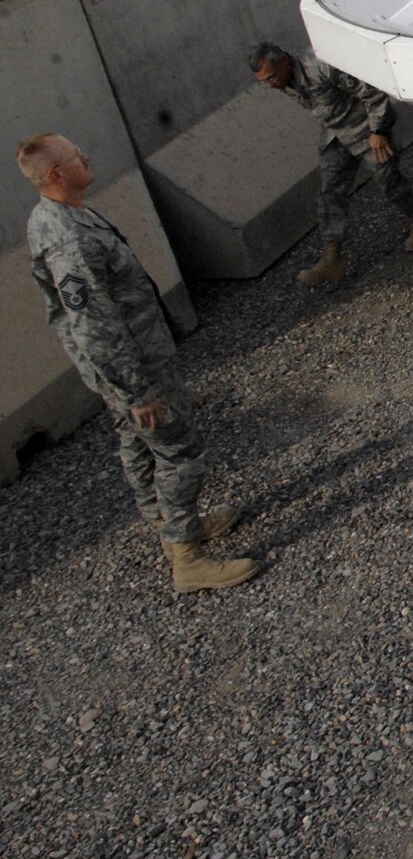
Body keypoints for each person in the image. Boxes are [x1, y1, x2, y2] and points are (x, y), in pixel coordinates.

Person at [17, 134, 263, 595]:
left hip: (121, 367)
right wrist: (136, 392)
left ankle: (170, 527)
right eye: (75, 156)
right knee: (178, 452)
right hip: (135, 368)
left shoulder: (59, 214)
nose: (85, 156)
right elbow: (91, 321)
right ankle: (188, 558)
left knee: (137, 444)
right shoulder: (67, 240)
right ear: (56, 174)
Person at [250, 42, 413, 285]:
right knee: (331, 193)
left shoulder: (320, 67)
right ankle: (332, 259)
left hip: (366, 129)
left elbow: (373, 93)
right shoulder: (285, 80)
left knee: (388, 179)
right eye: (263, 82)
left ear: (284, 60)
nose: (269, 85)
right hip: (336, 135)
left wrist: (378, 130)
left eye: (271, 77)